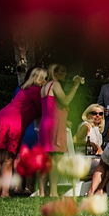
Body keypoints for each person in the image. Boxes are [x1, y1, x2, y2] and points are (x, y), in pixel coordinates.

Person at [0, 67, 47, 197]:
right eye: (46, 78)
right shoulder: (37, 92)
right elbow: (44, 111)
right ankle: (4, 192)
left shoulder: (23, 89)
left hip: (0, 118)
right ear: (41, 79)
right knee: (8, 160)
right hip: (12, 123)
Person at [40, 63, 85, 195]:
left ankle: (42, 192)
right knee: (56, 159)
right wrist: (76, 86)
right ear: (55, 73)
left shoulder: (44, 87)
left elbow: (51, 106)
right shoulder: (55, 85)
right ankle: (53, 192)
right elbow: (65, 101)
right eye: (63, 71)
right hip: (55, 125)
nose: (66, 74)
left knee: (46, 158)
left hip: (46, 123)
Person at [74, 104, 104, 182]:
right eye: (94, 113)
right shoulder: (86, 126)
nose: (98, 116)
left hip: (94, 158)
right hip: (83, 160)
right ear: (88, 115)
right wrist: (90, 143)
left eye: (100, 114)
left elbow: (99, 148)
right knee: (105, 167)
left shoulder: (97, 129)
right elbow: (74, 140)